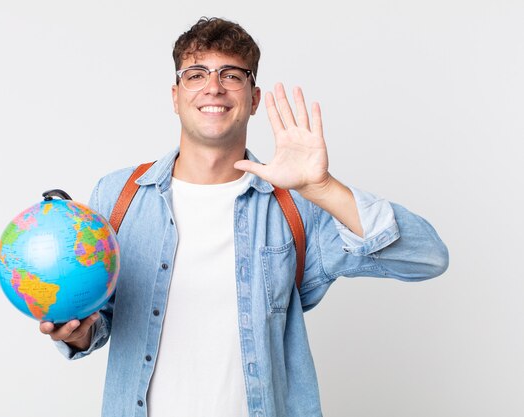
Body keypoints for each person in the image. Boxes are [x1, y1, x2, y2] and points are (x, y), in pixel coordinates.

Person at [40, 17, 448, 417]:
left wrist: (322, 187)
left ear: (253, 98)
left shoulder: (296, 207)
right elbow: (101, 319)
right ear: (176, 95)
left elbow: (427, 257)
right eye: (196, 74)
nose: (213, 87)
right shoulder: (120, 196)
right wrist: (78, 333)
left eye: (232, 75)